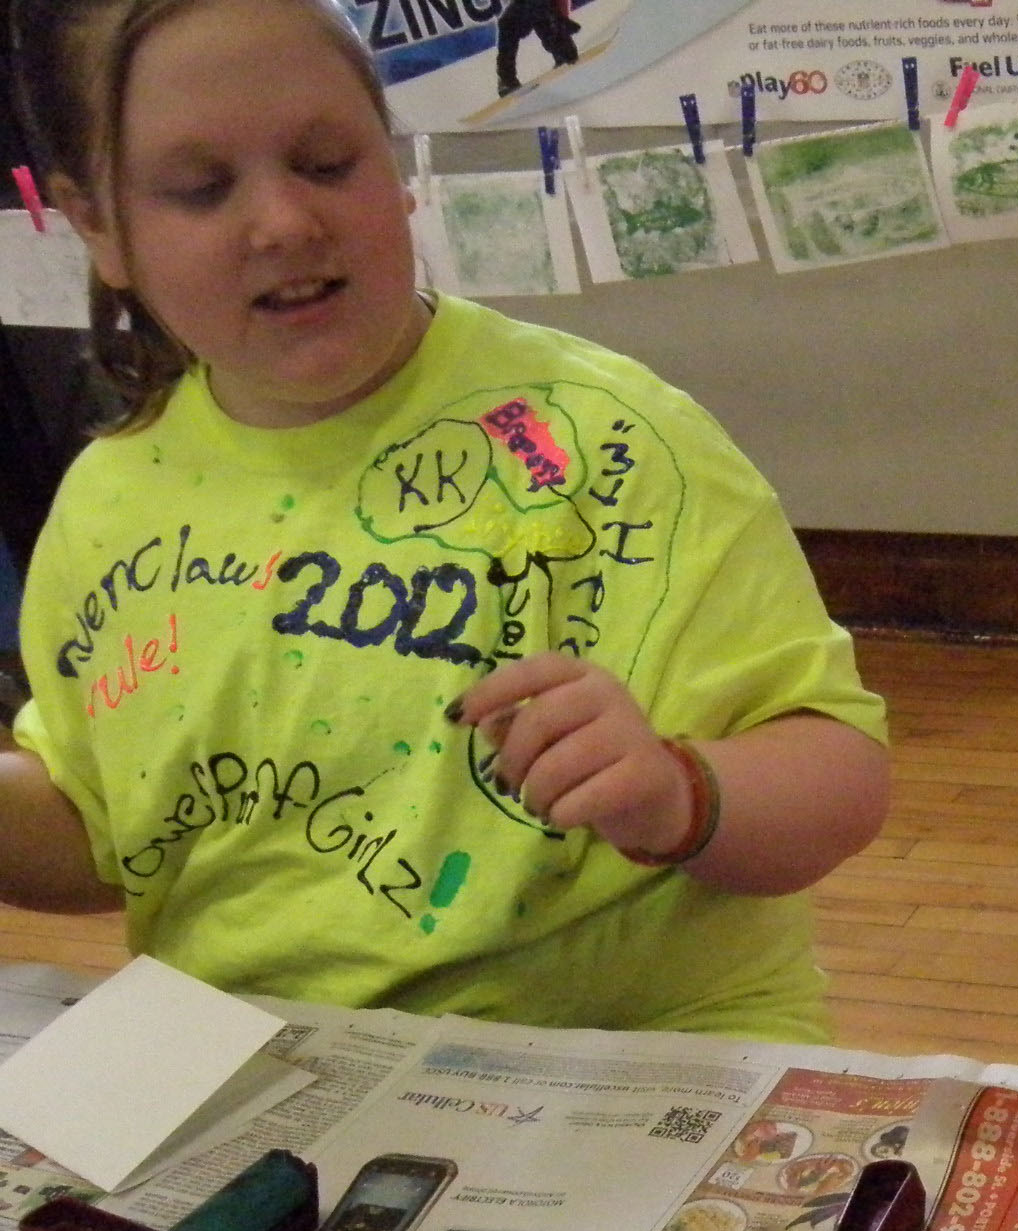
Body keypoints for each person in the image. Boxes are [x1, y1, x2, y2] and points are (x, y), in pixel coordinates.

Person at [2, 0, 891, 1043]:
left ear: (395, 165)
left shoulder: (608, 438)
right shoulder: (107, 502)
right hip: (259, 1061)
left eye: (328, 163)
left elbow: (839, 777)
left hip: (638, 1049)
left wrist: (676, 793)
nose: (284, 223)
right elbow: (108, 836)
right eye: (201, 188)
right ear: (97, 226)